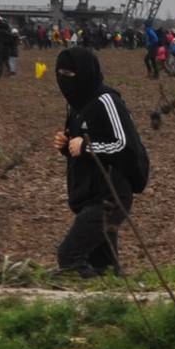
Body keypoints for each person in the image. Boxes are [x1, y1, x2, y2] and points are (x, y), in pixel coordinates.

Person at [52, 45, 147, 276]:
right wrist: (66, 146)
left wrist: (86, 147)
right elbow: (83, 146)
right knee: (103, 268)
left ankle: (80, 290)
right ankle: (113, 291)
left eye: (69, 74)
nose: (64, 80)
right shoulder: (75, 105)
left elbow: (125, 145)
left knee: (69, 256)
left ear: (85, 72)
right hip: (88, 196)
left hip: (110, 196)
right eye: (60, 74)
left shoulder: (107, 101)